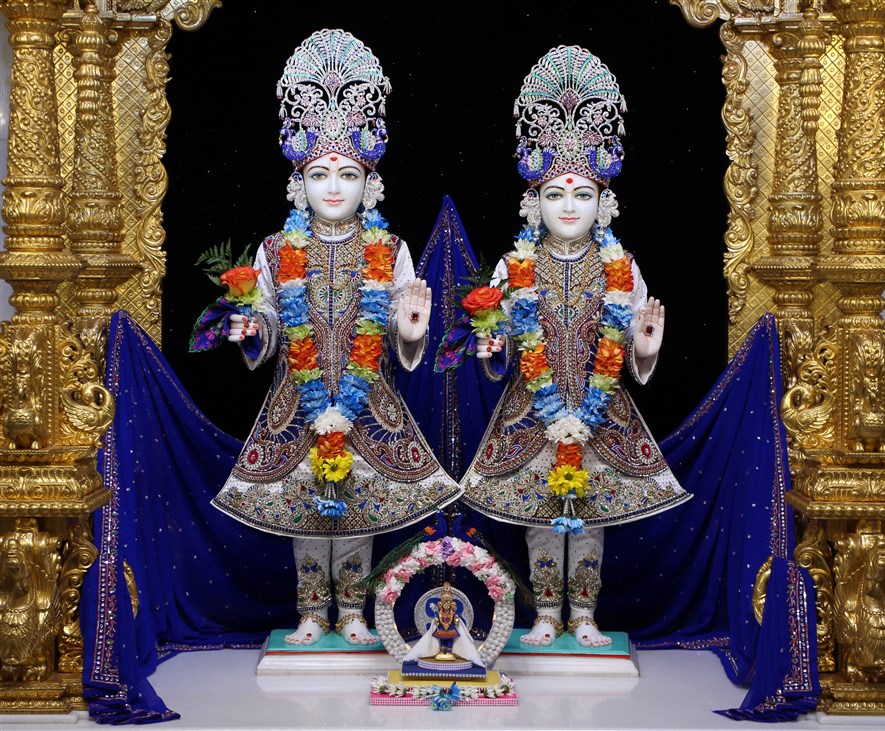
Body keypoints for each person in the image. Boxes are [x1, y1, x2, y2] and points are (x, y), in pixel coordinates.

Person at [211, 29, 461, 646]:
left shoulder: (389, 249)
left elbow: (404, 331)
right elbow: (269, 321)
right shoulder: (276, 249)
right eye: (320, 174)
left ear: (368, 183)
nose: (333, 187)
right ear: (299, 181)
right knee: (306, 506)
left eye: (347, 174)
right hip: (296, 399)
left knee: (356, 504)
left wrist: (409, 333)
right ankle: (309, 612)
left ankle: (351, 611)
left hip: (366, 400)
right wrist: (254, 328)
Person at [460, 45, 690, 648]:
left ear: (603, 202)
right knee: (541, 513)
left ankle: (583, 613)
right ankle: (544, 612)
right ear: (533, 201)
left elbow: (632, 339)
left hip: (600, 408)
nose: (568, 206)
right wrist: (493, 346)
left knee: (589, 515)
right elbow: (495, 348)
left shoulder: (622, 267)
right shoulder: (512, 267)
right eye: (556, 194)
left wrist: (644, 347)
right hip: (532, 410)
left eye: (582, 194)